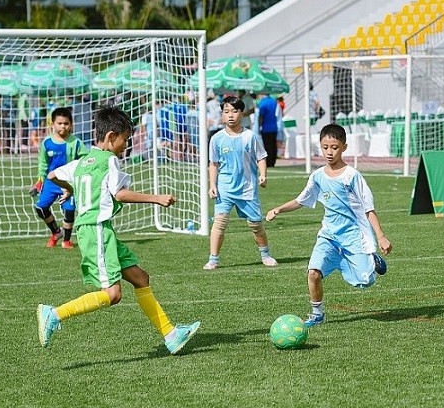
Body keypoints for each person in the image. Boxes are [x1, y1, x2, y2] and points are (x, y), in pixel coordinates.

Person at [37, 105, 200, 354]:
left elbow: (52, 176)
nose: (127, 145)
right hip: (96, 229)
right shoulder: (109, 160)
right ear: (111, 137)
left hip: (101, 230)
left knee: (141, 278)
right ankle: (55, 314)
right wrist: (156, 198)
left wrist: (70, 188)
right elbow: (120, 194)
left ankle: (171, 335)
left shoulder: (83, 162)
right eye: (125, 139)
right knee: (113, 294)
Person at [265, 123, 392, 327]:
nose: (329, 152)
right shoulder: (317, 176)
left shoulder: (352, 176)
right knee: (313, 272)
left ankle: (371, 260)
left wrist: (381, 236)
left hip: (353, 235)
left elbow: (368, 208)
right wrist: (278, 209)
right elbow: (301, 200)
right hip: (329, 236)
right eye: (325, 147)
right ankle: (317, 314)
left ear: (344, 147)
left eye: (334, 147)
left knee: (364, 281)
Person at [205, 95, 278, 270]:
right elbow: (213, 164)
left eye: (234, 111)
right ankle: (213, 259)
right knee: (219, 222)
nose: (230, 115)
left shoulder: (250, 136)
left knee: (255, 224)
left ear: (242, 113)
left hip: (247, 187)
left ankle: (265, 255)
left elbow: (261, 157)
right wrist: (212, 185)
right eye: (226, 111)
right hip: (225, 188)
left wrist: (262, 174)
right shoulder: (216, 139)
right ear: (222, 114)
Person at [32, 107, 88, 249]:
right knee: (40, 207)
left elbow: (84, 159)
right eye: (60, 123)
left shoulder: (76, 143)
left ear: (71, 125)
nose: (63, 126)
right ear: (53, 124)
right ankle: (56, 232)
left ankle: (67, 240)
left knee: (69, 210)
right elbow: (43, 163)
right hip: (51, 182)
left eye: (66, 123)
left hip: (68, 182)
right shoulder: (46, 143)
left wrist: (78, 176)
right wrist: (40, 180)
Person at [258, 93, 279, 167]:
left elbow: (261, 116)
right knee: (273, 145)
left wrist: (259, 126)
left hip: (266, 127)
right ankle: (273, 161)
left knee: (267, 146)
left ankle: (269, 162)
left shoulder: (263, 102)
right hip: (274, 126)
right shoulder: (274, 101)